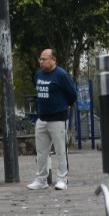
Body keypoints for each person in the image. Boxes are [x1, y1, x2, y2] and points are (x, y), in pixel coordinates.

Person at [28, 48, 77, 191]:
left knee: (61, 151)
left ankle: (62, 179)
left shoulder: (62, 75)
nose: (41, 62)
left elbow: (72, 95)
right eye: (40, 59)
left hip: (58, 119)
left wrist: (60, 106)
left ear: (53, 60)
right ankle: (41, 180)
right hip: (42, 118)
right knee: (41, 152)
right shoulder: (38, 75)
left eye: (44, 59)